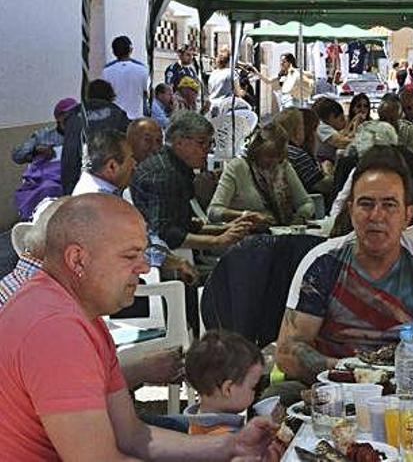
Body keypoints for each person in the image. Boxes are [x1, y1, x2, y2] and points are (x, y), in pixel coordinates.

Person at [0, 194, 282, 460]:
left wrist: (231, 445)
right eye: (130, 255)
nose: (145, 267)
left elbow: (133, 435)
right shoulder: (56, 328)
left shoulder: (81, 314)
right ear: (77, 259)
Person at [276, 150, 413, 384]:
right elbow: (287, 353)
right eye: (366, 204)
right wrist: (352, 370)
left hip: (410, 392)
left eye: (389, 205)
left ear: (407, 215)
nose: (376, 215)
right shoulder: (323, 263)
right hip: (331, 389)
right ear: (350, 211)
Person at [131, 111, 253, 251]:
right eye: (201, 143)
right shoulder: (164, 174)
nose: (207, 150)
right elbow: (164, 234)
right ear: (179, 142)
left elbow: (181, 224)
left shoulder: (177, 167)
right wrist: (217, 241)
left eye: (209, 144)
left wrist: (225, 229)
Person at [208, 123, 315, 227]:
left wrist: (301, 216)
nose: (274, 161)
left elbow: (306, 203)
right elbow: (214, 211)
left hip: (281, 230)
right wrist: (246, 216)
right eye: (269, 155)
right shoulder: (238, 167)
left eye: (278, 156)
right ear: (256, 150)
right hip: (246, 233)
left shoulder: (283, 167)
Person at [183, 330, 264, 435]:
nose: (256, 392)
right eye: (253, 387)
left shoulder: (198, 422)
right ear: (228, 389)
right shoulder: (226, 438)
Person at [60, 79, 130, 194]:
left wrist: (68, 189)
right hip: (108, 178)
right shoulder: (118, 115)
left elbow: (69, 154)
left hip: (78, 178)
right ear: (111, 95)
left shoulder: (74, 117)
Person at [275, 107, 333, 197]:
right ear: (296, 130)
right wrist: (327, 171)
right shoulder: (298, 155)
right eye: (301, 127)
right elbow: (324, 186)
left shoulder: (276, 149)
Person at [12, 98, 75, 165]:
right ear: (59, 117)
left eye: (76, 112)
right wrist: (36, 151)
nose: (74, 117)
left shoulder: (84, 134)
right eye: (70, 113)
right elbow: (17, 156)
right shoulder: (44, 135)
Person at [72, 130, 136, 197]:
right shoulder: (98, 200)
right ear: (112, 167)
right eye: (131, 158)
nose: (134, 164)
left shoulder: (90, 187)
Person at [101, 35, 150, 120]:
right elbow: (147, 93)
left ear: (113, 52)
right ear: (131, 50)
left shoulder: (106, 71)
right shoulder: (142, 70)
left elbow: (104, 96)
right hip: (136, 118)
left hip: (115, 118)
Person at [312, 97, 359, 162]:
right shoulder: (321, 127)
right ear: (331, 117)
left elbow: (342, 135)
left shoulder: (327, 127)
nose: (344, 122)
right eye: (342, 119)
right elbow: (342, 143)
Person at [207, 46, 236, 111]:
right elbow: (238, 92)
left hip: (212, 105)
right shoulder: (232, 73)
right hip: (225, 107)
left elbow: (210, 90)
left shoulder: (213, 74)